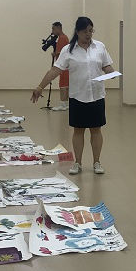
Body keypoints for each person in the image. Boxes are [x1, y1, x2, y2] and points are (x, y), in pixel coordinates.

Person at [31, 16, 114, 175]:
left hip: (96, 95)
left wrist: (113, 73)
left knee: (96, 130)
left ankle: (96, 162)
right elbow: (55, 70)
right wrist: (40, 86)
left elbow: (107, 66)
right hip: (78, 96)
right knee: (78, 131)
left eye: (91, 31)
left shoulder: (99, 47)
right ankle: (78, 163)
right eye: (85, 31)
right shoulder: (68, 50)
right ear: (77, 31)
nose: (88, 34)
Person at [50, 22, 70, 111]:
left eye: (53, 29)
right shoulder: (64, 37)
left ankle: (63, 105)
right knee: (65, 84)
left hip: (63, 66)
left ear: (59, 28)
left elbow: (60, 52)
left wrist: (54, 54)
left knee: (63, 85)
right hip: (65, 65)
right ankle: (66, 103)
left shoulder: (62, 38)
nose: (52, 31)